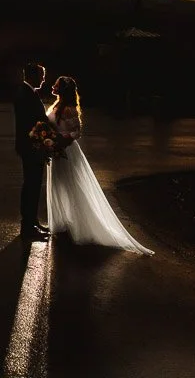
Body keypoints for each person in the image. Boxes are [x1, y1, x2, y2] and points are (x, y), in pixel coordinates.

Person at [43, 76, 154, 255]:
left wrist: (63, 139)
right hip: (56, 150)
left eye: (56, 84)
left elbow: (76, 131)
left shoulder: (69, 109)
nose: (53, 86)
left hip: (67, 151)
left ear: (62, 89)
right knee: (59, 185)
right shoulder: (56, 105)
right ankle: (64, 220)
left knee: (72, 187)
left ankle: (79, 223)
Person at [13, 63, 51, 240]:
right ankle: (28, 228)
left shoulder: (28, 92)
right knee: (31, 185)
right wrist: (43, 140)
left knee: (34, 185)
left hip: (33, 146)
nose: (43, 79)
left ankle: (32, 222)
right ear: (32, 76)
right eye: (41, 75)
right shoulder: (24, 93)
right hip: (31, 147)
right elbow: (30, 123)